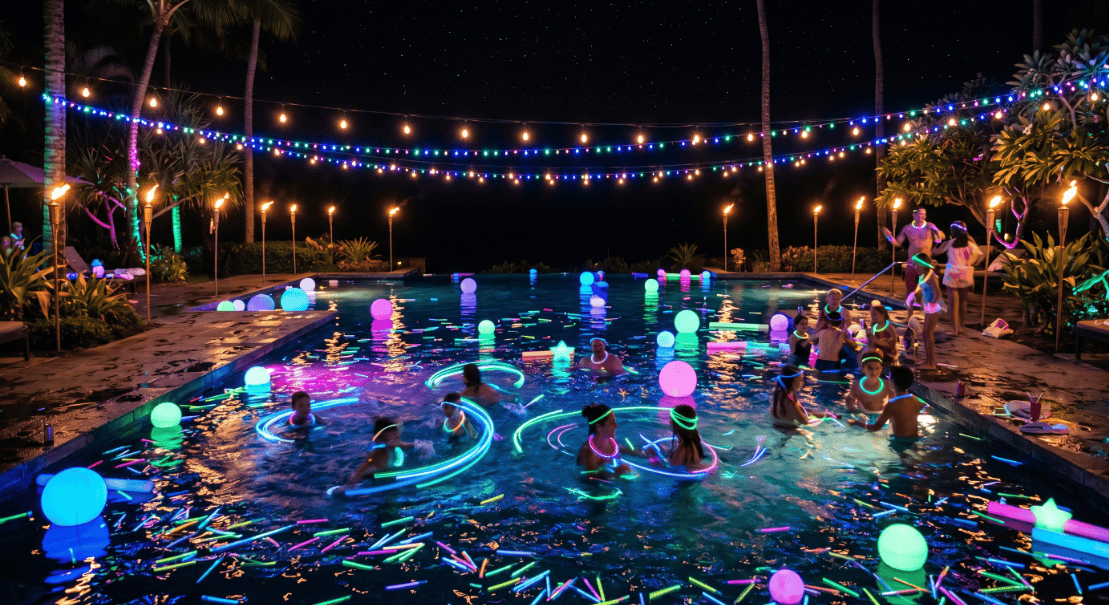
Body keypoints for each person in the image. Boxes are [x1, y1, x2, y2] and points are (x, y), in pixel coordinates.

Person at [847, 366, 928, 442]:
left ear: (892, 382)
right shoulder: (914, 399)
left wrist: (857, 423)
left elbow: (875, 428)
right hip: (915, 438)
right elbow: (927, 407)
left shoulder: (892, 405)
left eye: (889, 378)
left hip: (899, 442)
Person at [337, 418, 415, 492]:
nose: (395, 440)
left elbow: (407, 445)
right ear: (380, 441)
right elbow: (360, 472)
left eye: (396, 436)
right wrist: (348, 487)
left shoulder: (395, 444)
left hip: (386, 475)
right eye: (390, 438)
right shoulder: (378, 455)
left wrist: (421, 446)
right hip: (372, 480)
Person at [933, 221, 982, 336]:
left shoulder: (950, 243)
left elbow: (935, 252)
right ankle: (962, 327)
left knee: (953, 304)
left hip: (952, 273)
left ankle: (954, 330)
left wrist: (936, 243)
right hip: (965, 272)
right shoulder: (970, 244)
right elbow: (980, 254)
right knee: (963, 301)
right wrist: (971, 262)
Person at [883, 207, 945, 294]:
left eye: (924, 214)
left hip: (926, 262)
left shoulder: (930, 226)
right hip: (912, 261)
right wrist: (889, 237)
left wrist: (940, 234)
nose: (923, 216)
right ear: (914, 215)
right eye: (921, 214)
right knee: (910, 289)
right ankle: (910, 305)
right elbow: (897, 243)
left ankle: (924, 306)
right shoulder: (907, 228)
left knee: (927, 289)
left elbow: (940, 238)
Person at [577, 403, 642, 478]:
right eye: (612, 423)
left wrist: (644, 454)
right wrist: (617, 472)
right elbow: (591, 478)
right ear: (599, 426)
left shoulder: (610, 442)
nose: (616, 426)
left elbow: (624, 449)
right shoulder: (589, 453)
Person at [907, 253, 945, 370]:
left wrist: (932, 304)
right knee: (925, 334)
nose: (915, 267)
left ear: (924, 264)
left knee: (928, 334)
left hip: (934, 307)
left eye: (917, 265)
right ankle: (928, 359)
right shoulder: (922, 277)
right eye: (914, 265)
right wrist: (914, 297)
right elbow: (920, 289)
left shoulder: (931, 276)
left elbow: (937, 293)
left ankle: (931, 363)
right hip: (929, 307)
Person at [664, 404, 707, 469]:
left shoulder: (684, 447)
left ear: (678, 423)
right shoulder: (693, 441)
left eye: (671, 418)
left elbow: (672, 471)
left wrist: (652, 459)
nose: (669, 422)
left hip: (684, 479)